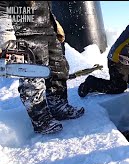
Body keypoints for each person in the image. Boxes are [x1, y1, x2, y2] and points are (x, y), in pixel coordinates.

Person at [0, 1, 84, 134]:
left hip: (48, 32)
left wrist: (55, 25)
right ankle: (41, 119)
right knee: (33, 77)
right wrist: (6, 38)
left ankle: (58, 105)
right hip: (24, 34)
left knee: (59, 69)